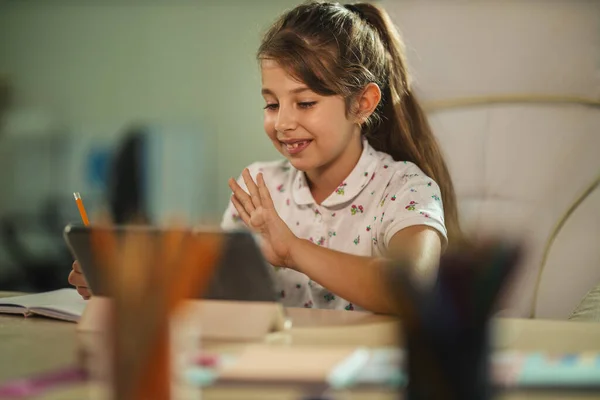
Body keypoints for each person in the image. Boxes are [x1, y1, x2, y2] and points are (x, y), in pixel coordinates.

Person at [69, 1, 461, 314]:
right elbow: (212, 292)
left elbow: (410, 286)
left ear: (362, 103)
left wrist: (291, 249)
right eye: (271, 104)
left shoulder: (406, 188)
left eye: (305, 103)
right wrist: (125, 283)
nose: (283, 123)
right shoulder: (261, 188)